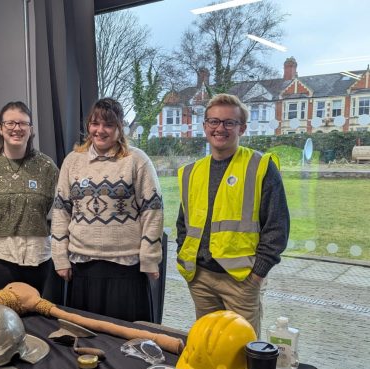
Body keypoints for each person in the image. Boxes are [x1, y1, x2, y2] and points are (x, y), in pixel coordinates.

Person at [175, 93, 290, 336]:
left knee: (243, 351)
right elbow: (183, 223)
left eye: (229, 122)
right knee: (208, 345)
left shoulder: (259, 166)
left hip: (241, 279)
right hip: (201, 278)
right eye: (214, 121)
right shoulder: (191, 172)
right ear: (205, 126)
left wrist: (257, 275)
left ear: (242, 128)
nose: (220, 128)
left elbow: (277, 226)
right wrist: (185, 261)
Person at [51, 98, 164, 323]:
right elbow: (61, 210)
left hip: (126, 269)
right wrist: (59, 257)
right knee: (86, 338)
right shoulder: (72, 161)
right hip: (82, 267)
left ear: (120, 128)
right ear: (88, 126)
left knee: (127, 340)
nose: (100, 130)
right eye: (95, 123)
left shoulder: (136, 160)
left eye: (108, 125)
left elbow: (153, 211)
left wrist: (149, 259)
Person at [0, 101, 58, 293]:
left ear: (31, 129)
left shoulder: (47, 167)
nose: (17, 128)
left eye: (23, 123)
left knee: (35, 318)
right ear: (0, 128)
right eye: (10, 123)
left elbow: (57, 213)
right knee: (1, 317)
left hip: (38, 258)